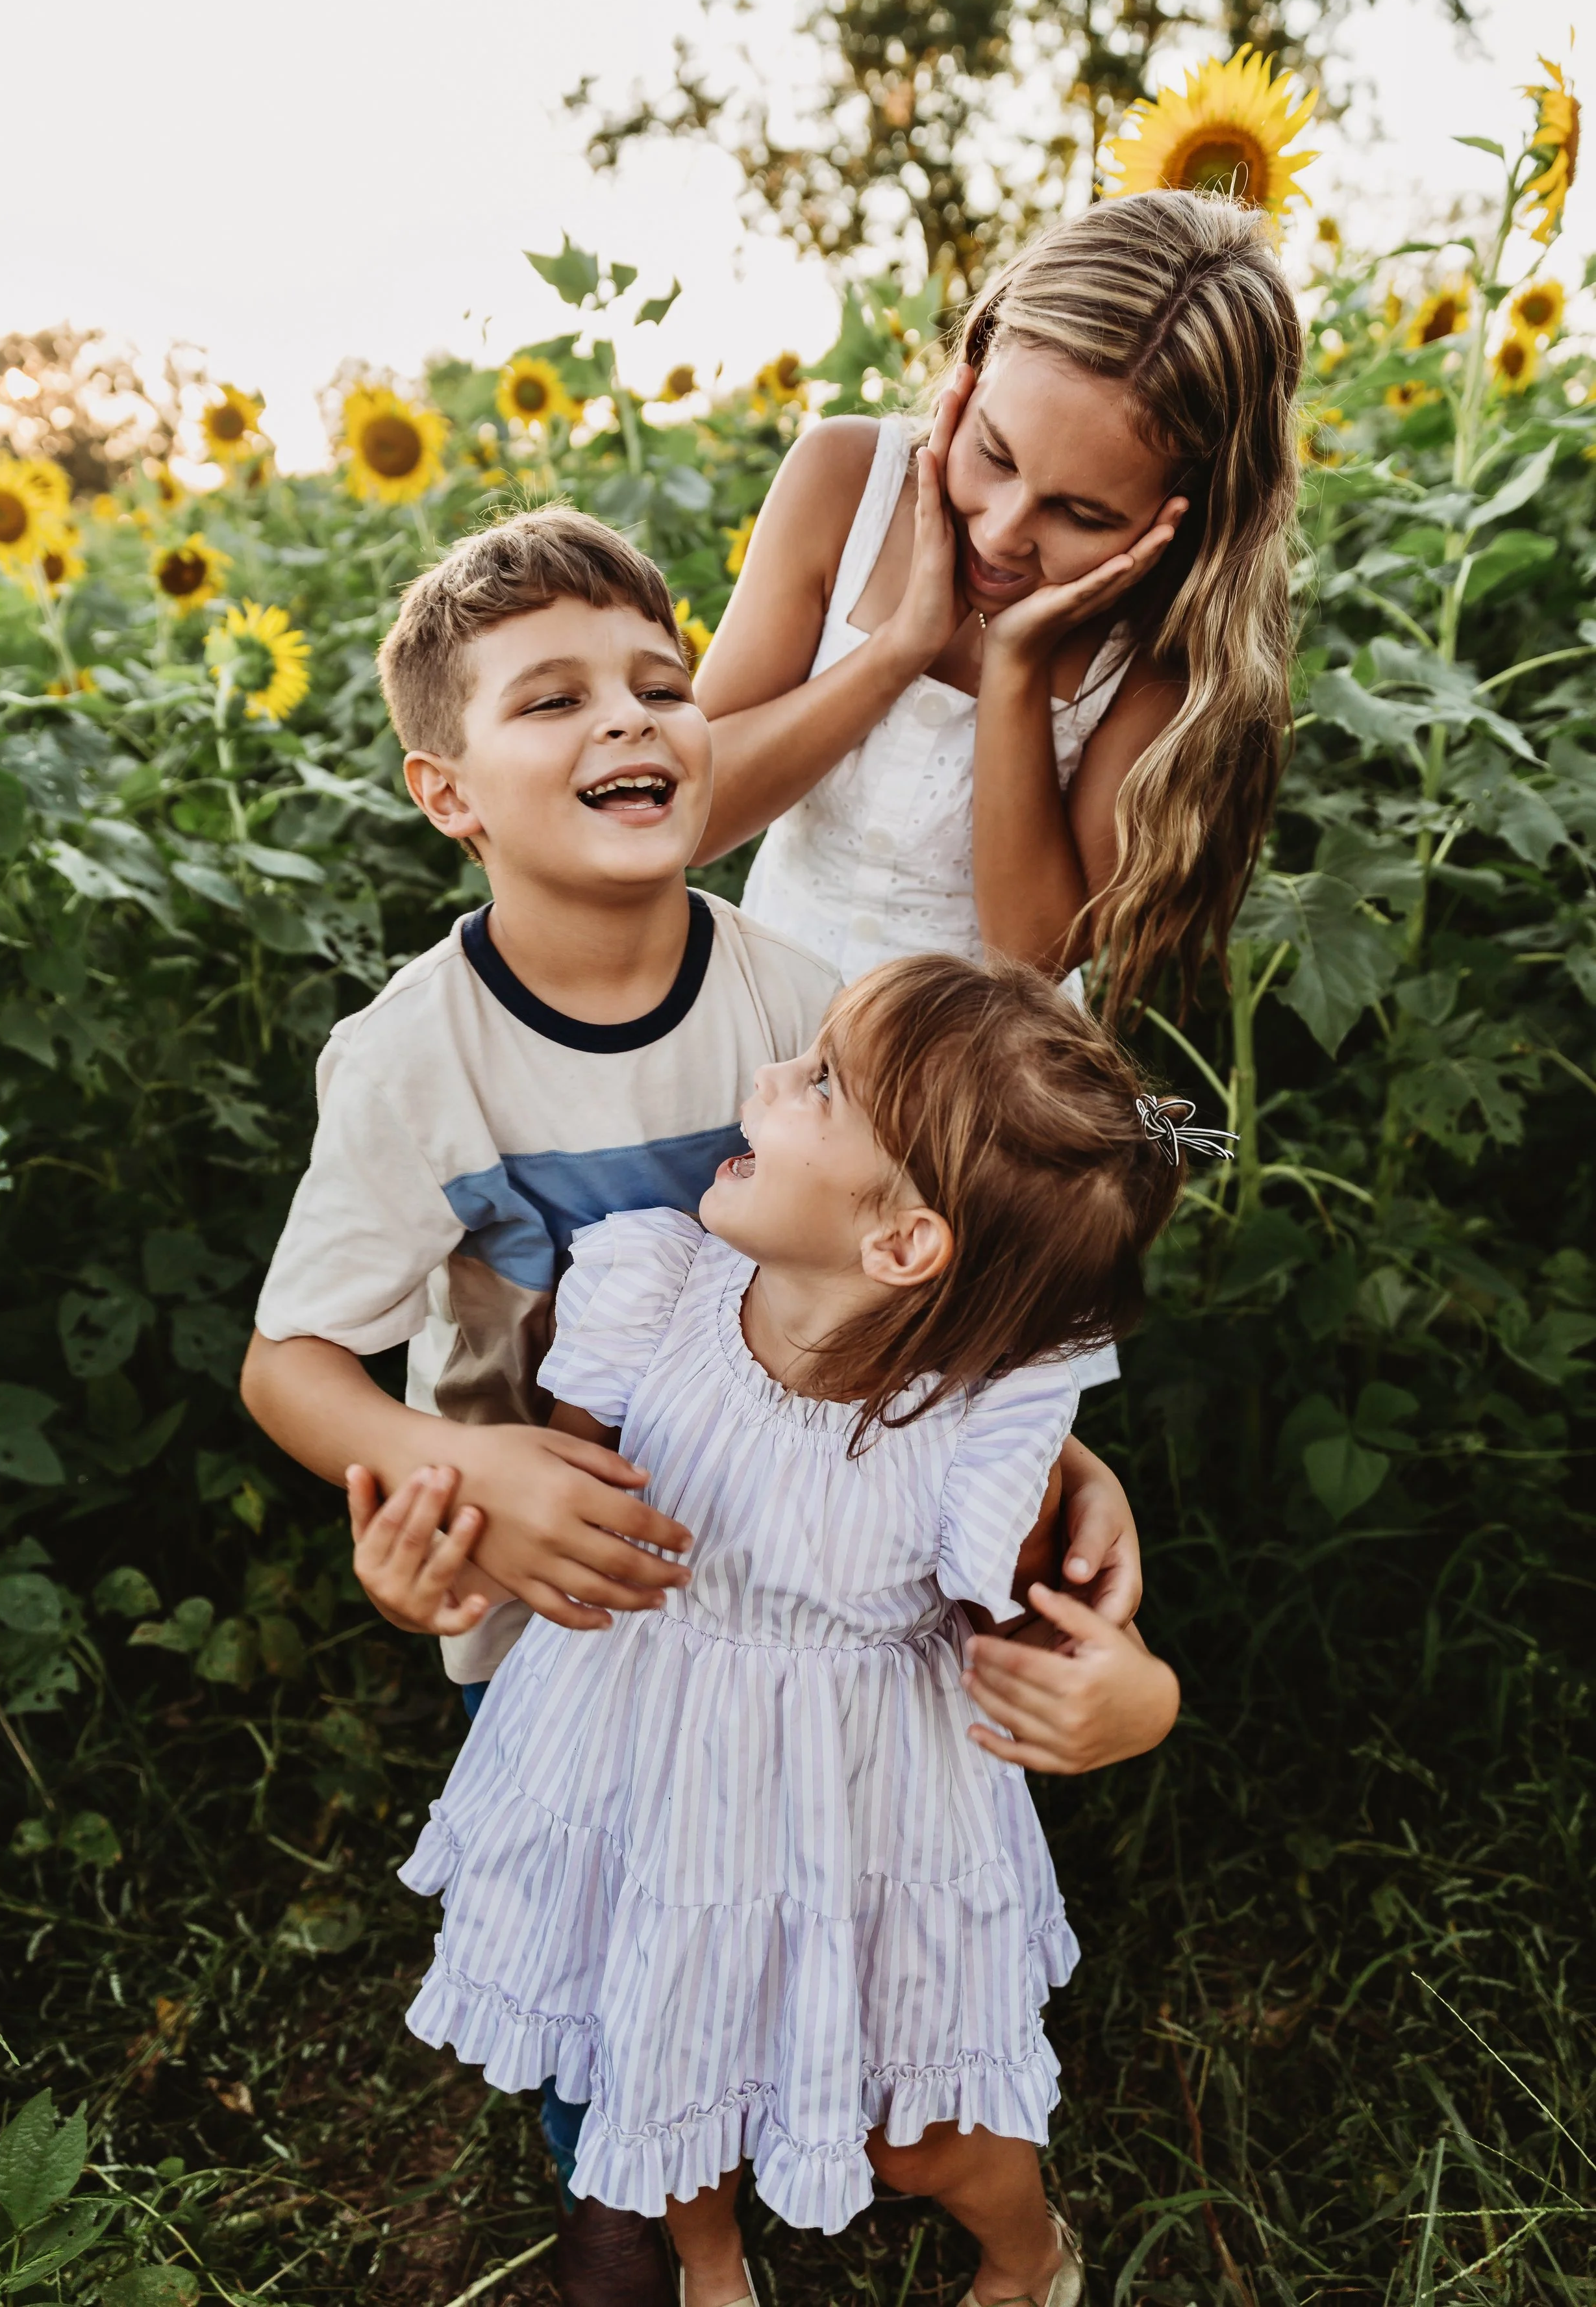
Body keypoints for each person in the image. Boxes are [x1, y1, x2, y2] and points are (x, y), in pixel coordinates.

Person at [240, 508, 1147, 2307]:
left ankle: (786, 2133)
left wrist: (1060, 1445)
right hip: (562, 1570)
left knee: (766, 1894)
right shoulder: (413, 1056)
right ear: (450, 794)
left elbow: (939, 1279)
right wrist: (445, 1467)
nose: (631, 719)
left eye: (662, 680)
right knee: (609, 1897)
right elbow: (292, 1361)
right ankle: (645, 2185)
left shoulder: (801, 1007)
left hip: (820, 1569)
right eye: (553, 696)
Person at [397, 953, 1191, 2307]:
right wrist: (456, 1570)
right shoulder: (649, 1294)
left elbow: (1064, 1624)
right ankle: (707, 2264)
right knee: (664, 2036)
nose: (763, 1082)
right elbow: (562, 1510)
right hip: (650, 1756)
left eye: (817, 1081)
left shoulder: (976, 1436)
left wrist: (1138, 1702)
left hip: (861, 1816)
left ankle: (1026, 2256)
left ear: (897, 1243)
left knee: (920, 2134)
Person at [695, 189, 1303, 1023]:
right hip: (757, 1028)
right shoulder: (844, 483)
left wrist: (1015, 667)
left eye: (1082, 515)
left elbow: (1029, 959)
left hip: (974, 1093)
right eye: (993, 453)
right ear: (975, 364)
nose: (1004, 533)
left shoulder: (1159, 655)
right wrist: (899, 648)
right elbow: (690, 816)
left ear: (1185, 513)